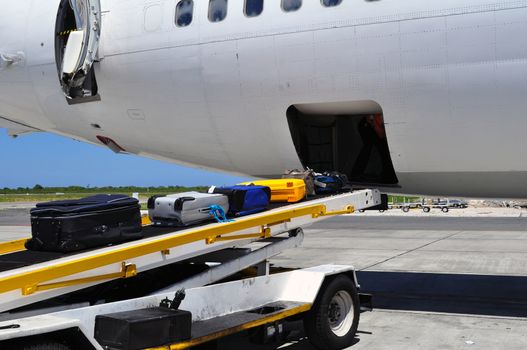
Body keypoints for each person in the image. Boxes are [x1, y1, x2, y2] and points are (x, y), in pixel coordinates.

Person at [351, 114, 394, 182]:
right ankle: (356, 174)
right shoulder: (375, 119)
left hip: (369, 125)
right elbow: (380, 132)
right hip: (367, 125)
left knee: (381, 149)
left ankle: (388, 174)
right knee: (375, 148)